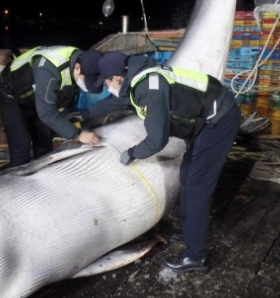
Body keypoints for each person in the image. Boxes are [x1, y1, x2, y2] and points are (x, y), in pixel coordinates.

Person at [95, 52, 241, 272]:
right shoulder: (138, 79)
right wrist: (81, 121)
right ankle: (188, 230)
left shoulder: (149, 88)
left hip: (219, 120)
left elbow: (156, 140)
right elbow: (114, 103)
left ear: (117, 78)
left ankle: (196, 257)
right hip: (204, 121)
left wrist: (132, 153)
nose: (107, 87)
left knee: (196, 188)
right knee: (187, 175)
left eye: (106, 82)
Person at [0, 46, 104, 167]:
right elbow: (46, 113)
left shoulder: (83, 62)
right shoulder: (50, 70)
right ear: (77, 68)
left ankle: (44, 180)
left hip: (37, 94)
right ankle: (18, 180)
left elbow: (62, 102)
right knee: (21, 144)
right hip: (12, 94)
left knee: (44, 142)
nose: (86, 85)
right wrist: (78, 134)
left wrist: (70, 123)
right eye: (87, 80)